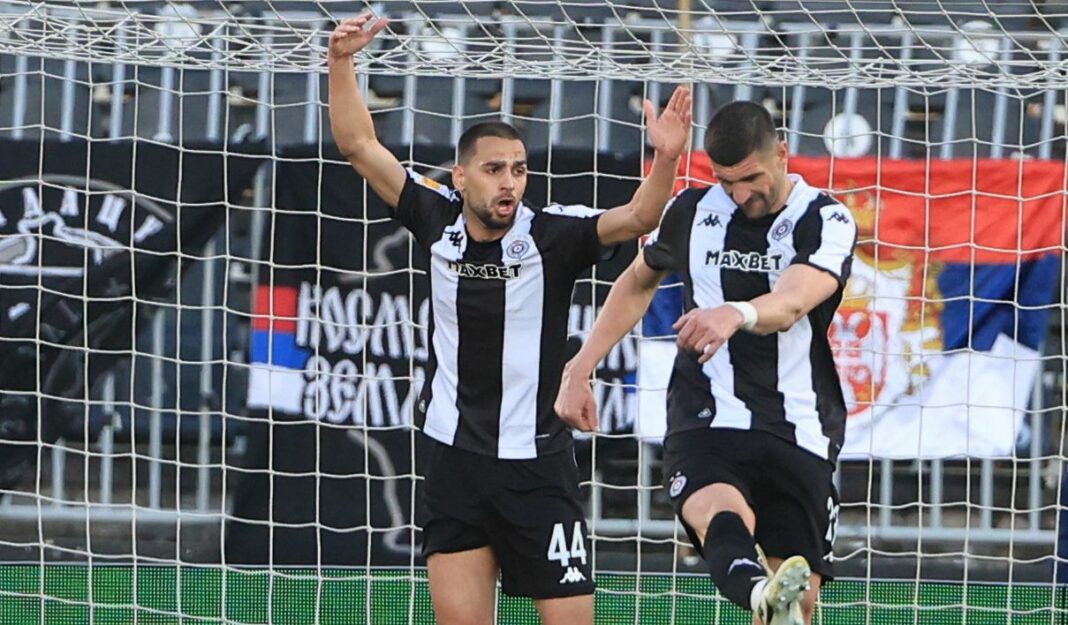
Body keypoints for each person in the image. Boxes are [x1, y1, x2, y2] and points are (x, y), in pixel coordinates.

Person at [327, 13, 692, 625]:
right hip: (454, 462)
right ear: (461, 176)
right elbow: (359, 146)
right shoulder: (434, 216)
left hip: (537, 465)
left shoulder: (554, 235)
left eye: (519, 170)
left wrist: (665, 160)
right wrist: (341, 61)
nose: (510, 183)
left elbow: (638, 217)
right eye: (495, 169)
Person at [555, 101, 858, 625]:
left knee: (800, 606)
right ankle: (759, 593)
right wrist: (579, 367)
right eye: (726, 181)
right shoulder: (693, 210)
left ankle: (767, 598)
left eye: (751, 179)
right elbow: (637, 281)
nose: (740, 195)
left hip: (798, 425)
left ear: (782, 154)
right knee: (717, 511)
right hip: (706, 416)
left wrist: (735, 313)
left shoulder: (825, 218)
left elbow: (792, 301)